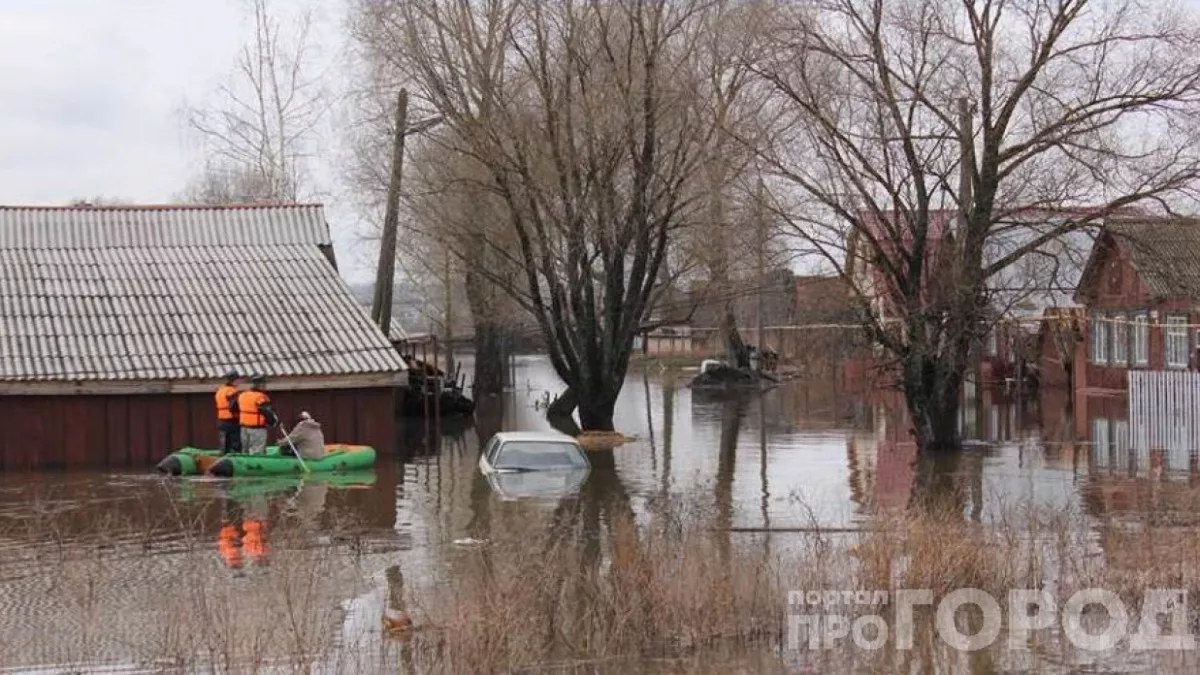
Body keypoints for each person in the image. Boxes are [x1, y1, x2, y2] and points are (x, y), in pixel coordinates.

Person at [237, 374, 278, 455]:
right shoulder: (260, 397)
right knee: (257, 452)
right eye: (264, 384)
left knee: (245, 451)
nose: (265, 386)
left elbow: (233, 408)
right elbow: (267, 412)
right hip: (257, 429)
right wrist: (274, 422)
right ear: (260, 385)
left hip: (244, 428)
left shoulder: (242, 395)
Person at [215, 369, 242, 454]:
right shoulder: (232, 391)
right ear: (235, 380)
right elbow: (234, 406)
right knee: (235, 444)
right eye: (238, 379)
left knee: (224, 444)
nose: (239, 381)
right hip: (232, 420)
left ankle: (223, 457)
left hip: (221, 420)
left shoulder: (220, 390)